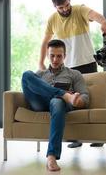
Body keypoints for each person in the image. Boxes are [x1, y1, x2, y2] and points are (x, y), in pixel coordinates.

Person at [38, 0, 106, 148]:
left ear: (70, 1)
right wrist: (40, 62)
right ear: (55, 7)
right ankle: (76, 138)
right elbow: (45, 41)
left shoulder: (79, 10)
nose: (65, 9)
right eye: (61, 8)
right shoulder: (52, 19)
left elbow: (95, 15)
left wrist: (103, 21)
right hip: (68, 67)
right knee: (72, 102)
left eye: (67, 5)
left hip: (87, 62)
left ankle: (98, 137)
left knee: (92, 100)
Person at [22, 39, 89, 171]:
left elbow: (85, 97)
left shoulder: (74, 74)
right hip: (40, 103)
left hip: (58, 106)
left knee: (57, 101)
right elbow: (29, 84)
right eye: (52, 55)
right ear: (47, 55)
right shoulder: (40, 75)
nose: (55, 59)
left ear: (65, 56)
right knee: (26, 75)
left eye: (59, 56)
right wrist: (65, 94)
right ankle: (63, 94)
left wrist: (77, 101)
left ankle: (51, 156)